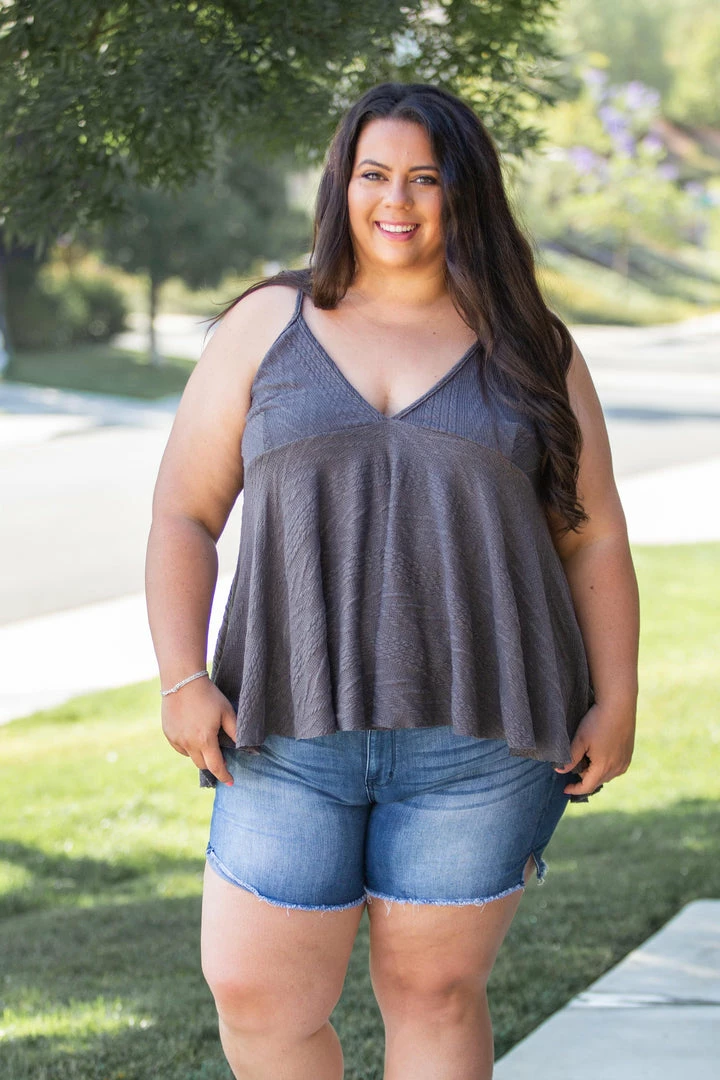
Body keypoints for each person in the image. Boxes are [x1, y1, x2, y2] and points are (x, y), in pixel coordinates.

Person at [145, 81, 639, 1080]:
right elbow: (183, 516)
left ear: (466, 191)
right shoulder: (266, 324)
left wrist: (618, 698)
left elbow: (592, 538)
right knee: (256, 995)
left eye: (426, 177)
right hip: (285, 727)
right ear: (342, 184)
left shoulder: (532, 347)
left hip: (482, 736)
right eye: (374, 174)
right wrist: (181, 677)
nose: (396, 201)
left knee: (434, 995)